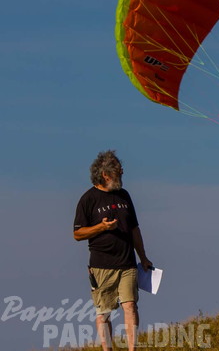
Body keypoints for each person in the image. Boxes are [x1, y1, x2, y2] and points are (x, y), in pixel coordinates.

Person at [73, 150, 153, 351]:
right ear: (105, 175)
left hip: (127, 263)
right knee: (104, 313)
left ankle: (132, 349)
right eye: (118, 173)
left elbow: (135, 229)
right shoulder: (88, 199)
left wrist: (143, 257)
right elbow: (77, 233)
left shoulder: (124, 195)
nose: (122, 176)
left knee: (130, 306)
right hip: (101, 266)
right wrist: (101, 227)